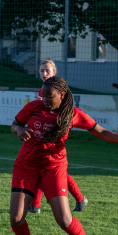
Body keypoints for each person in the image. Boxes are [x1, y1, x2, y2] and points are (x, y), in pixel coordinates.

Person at [10, 76, 118, 235]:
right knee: (16, 218)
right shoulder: (34, 107)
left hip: (53, 168)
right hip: (26, 166)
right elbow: (14, 124)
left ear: (62, 95)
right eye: (43, 95)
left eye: (49, 97)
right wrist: (19, 130)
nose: (44, 100)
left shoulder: (73, 114)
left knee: (64, 219)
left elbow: (101, 132)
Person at [29, 60, 87, 214]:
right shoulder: (43, 89)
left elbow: (65, 109)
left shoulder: (60, 88)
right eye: (41, 70)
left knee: (55, 172)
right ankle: (35, 205)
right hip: (43, 135)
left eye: (47, 70)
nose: (44, 73)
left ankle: (80, 199)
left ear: (55, 72)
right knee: (41, 168)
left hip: (56, 134)